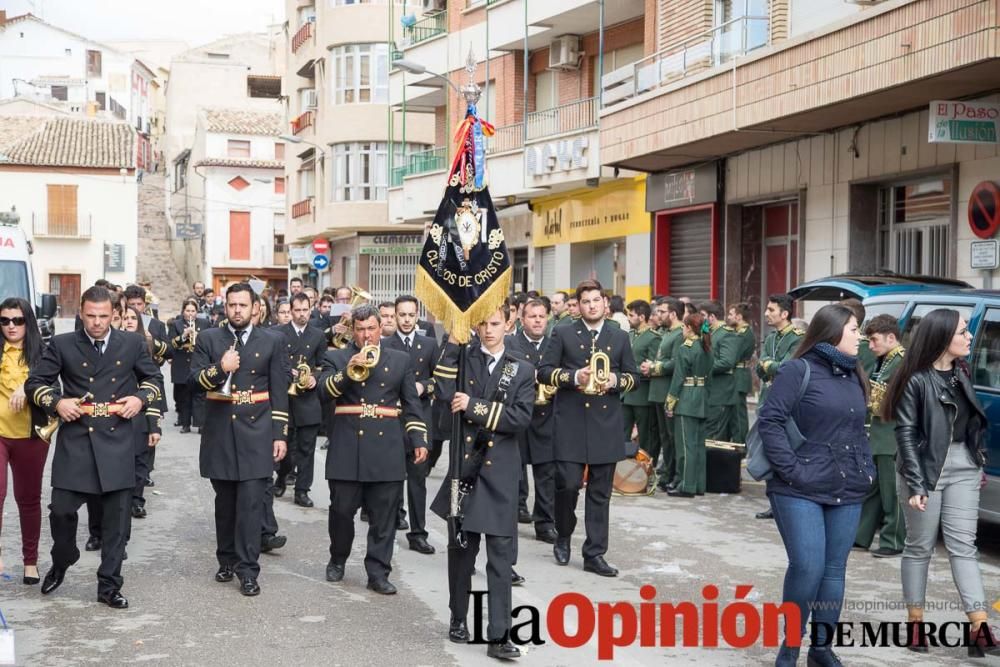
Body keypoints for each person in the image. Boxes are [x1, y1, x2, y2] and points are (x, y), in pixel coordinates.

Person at [27, 286, 163, 608]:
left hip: (117, 441)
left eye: (104, 316)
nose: (97, 322)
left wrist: (139, 398)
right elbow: (35, 383)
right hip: (77, 439)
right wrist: (57, 402)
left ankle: (109, 586)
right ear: (81, 314)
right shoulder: (62, 344)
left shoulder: (130, 343)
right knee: (60, 512)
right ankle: (63, 557)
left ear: (114, 314)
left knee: (117, 523)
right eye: (91, 316)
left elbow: (154, 380)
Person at [757, 304, 874, 667]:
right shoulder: (798, 369)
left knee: (834, 570)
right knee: (808, 566)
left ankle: (821, 649)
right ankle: (790, 649)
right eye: (855, 329)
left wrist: (866, 468)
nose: (861, 336)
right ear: (833, 331)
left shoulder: (855, 372)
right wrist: (792, 469)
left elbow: (857, 429)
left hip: (846, 486)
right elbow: (770, 421)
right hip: (797, 487)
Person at [882, 308, 1000, 656]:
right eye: (963, 332)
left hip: (963, 466)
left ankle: (980, 629)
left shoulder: (961, 372)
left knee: (964, 546)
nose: (969, 338)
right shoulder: (915, 379)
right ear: (942, 337)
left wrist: (976, 462)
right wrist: (917, 484)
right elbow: (905, 434)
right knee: (920, 547)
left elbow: (971, 424)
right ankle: (915, 625)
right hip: (927, 471)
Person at [431, 304, 534, 660]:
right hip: (465, 470)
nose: (488, 330)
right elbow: (443, 393)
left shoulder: (521, 368)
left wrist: (473, 405)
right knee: (461, 551)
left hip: (501, 473)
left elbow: (520, 418)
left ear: (509, 324)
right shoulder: (462, 356)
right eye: (482, 324)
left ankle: (499, 635)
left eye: (495, 323)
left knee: (501, 557)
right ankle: (458, 617)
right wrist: (451, 339)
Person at [318, 303, 428, 594]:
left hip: (386, 447)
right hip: (347, 445)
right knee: (341, 511)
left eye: (371, 329)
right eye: (360, 329)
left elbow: (412, 406)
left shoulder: (400, 360)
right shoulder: (337, 357)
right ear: (353, 331)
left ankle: (378, 572)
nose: (366, 335)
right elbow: (322, 391)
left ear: (381, 328)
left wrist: (418, 439)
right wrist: (347, 370)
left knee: (384, 517)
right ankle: (338, 557)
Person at [189, 282, 289, 597]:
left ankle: (248, 570)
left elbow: (279, 391)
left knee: (251, 504)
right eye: (232, 305)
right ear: (225, 307)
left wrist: (279, 434)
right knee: (226, 504)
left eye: (242, 306)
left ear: (254, 308)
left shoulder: (272, 340)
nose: (237, 311)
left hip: (257, 434)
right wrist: (221, 368)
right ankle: (227, 559)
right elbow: (195, 380)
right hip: (220, 432)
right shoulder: (208, 338)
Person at [538, 279, 638, 577]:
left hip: (605, 423)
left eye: (597, 300)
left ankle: (595, 553)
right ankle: (564, 534)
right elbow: (544, 372)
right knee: (567, 485)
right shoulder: (563, 332)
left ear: (605, 304)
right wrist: (572, 377)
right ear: (578, 305)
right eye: (586, 301)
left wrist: (616, 381)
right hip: (569, 420)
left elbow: (633, 375)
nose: (592, 305)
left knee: (600, 492)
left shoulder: (619, 336)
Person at [383, 295, 439, 552]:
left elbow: (440, 379)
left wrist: (423, 385)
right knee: (392, 478)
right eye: (401, 315)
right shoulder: (386, 344)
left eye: (411, 315)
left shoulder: (428, 344)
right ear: (394, 316)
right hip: (392, 420)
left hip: (420, 419)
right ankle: (391, 519)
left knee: (417, 479)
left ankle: (418, 533)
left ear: (418, 316)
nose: (406, 319)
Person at [0, 298, 49, 585]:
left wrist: (27, 386)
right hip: (1, 435)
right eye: (4, 321)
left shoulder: (42, 353)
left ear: (27, 322)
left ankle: (30, 561)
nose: (10, 326)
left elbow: (52, 384)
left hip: (32, 437)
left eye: (17, 320)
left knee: (28, 500)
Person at [852, 314, 906, 558]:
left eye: (874, 340)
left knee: (891, 492)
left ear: (891, 337)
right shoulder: (886, 360)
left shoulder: (900, 362)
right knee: (873, 489)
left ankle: (893, 540)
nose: (870, 345)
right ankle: (860, 536)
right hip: (879, 433)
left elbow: (879, 400)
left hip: (891, 435)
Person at [505, 298, 558, 544]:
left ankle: (545, 523)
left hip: (547, 416)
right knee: (515, 469)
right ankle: (515, 509)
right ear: (522, 319)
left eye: (541, 316)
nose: (537, 321)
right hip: (518, 414)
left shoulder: (554, 344)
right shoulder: (510, 343)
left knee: (546, 472)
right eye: (532, 316)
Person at [754, 293, 804, 520]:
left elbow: (787, 367)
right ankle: (773, 500)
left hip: (785, 402)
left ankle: (787, 500)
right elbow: (759, 368)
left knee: (785, 451)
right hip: (767, 397)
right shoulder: (771, 337)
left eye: (771, 310)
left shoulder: (797, 338)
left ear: (785, 314)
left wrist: (768, 365)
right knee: (769, 450)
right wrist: (767, 366)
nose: (766, 314)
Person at [275, 293, 326, 507]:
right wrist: (289, 372)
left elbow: (323, 365)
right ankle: (282, 475)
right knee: (284, 446)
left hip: (307, 399)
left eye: (305, 310)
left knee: (307, 448)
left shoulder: (318, 335)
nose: (302, 314)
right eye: (297, 310)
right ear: (291, 310)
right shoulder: (278, 333)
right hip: (285, 398)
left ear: (311, 309)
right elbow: (274, 363)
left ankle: (302, 490)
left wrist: (314, 378)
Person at [120, 307, 163, 520]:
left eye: (132, 318)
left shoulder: (143, 344)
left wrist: (154, 423)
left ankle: (137, 501)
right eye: (124, 318)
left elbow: (152, 384)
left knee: (139, 461)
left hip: (142, 410)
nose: (128, 321)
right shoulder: (113, 345)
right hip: (117, 412)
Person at [664, 311, 713, 498]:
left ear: (691, 329)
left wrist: (670, 402)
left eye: (684, 326)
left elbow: (678, 379)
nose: (682, 330)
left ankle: (686, 485)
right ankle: (699, 484)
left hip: (686, 398)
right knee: (699, 445)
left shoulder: (686, 348)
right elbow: (709, 377)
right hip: (701, 398)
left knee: (685, 445)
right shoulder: (707, 346)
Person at [648, 297, 684, 492]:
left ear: (673, 314)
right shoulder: (666, 332)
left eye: (662, 312)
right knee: (664, 437)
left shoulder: (679, 334)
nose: (658, 315)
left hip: (668, 391)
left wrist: (654, 367)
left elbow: (675, 363)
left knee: (672, 437)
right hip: (658, 391)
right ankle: (666, 473)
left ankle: (675, 475)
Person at [623, 300, 660, 461]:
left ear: (642, 317)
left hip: (642, 393)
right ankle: (621, 471)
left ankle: (645, 470)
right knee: (622, 434)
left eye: (631, 315)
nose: (628, 319)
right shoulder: (629, 335)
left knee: (646, 437)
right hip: (625, 394)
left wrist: (630, 370)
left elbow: (650, 366)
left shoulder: (653, 337)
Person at [699, 300, 739, 443]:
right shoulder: (711, 333)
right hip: (710, 392)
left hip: (721, 393)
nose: (700, 318)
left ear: (712, 317)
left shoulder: (726, 334)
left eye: (703, 315)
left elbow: (727, 362)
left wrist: (702, 366)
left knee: (714, 436)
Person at [169, 299, 206, 434]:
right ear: (183, 311)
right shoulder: (176, 324)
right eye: (187, 310)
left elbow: (209, 341)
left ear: (197, 312)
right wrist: (184, 335)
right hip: (182, 363)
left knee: (200, 395)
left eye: (193, 311)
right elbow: (171, 344)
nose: (190, 313)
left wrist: (198, 336)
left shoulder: (204, 323)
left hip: (198, 362)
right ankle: (185, 424)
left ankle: (200, 424)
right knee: (184, 396)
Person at [726, 303, 756, 443]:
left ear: (738, 317)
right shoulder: (738, 332)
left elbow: (733, 356)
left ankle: (741, 445)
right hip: (736, 375)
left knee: (738, 415)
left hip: (739, 376)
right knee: (733, 414)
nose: (728, 317)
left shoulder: (743, 334)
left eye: (731, 314)